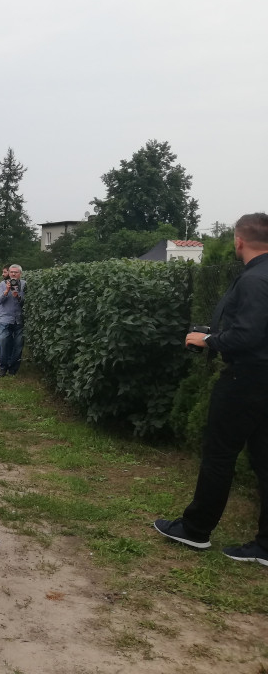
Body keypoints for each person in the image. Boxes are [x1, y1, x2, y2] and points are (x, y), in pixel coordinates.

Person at [155, 213, 268, 564]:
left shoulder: (254, 279)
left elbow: (247, 335)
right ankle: (265, 546)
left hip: (246, 379)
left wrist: (208, 339)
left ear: (239, 241)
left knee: (219, 455)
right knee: (265, 460)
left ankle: (195, 530)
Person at [0, 264, 26, 376]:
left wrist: (17, 296)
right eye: (11, 272)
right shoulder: (3, 284)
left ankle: (13, 368)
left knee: (18, 345)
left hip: (18, 319)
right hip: (5, 318)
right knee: (3, 342)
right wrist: (6, 291)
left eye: (16, 272)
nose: (13, 274)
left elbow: (24, 303)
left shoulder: (24, 284)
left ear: (20, 274)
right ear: (9, 273)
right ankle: (3, 367)